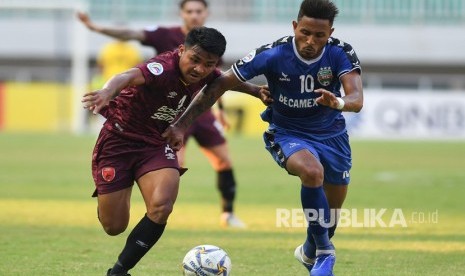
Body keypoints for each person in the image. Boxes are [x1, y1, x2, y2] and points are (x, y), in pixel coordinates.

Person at [163, 1, 363, 275]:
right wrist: (181, 124)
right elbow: (219, 84)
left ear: (330, 33)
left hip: (333, 136)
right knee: (311, 172)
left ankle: (309, 251)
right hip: (287, 132)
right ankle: (326, 254)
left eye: (319, 35)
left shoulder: (341, 52)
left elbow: (356, 98)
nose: (310, 41)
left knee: (330, 216)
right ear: (295, 26)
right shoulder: (272, 54)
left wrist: (338, 102)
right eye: (304, 32)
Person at [82, 27, 263, 276]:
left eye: (208, 64)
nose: (199, 69)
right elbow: (126, 76)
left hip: (155, 142)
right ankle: (110, 201)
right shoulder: (162, 68)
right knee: (114, 226)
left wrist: (255, 90)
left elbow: (224, 80)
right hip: (118, 142)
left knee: (161, 206)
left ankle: (119, 271)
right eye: (194, 60)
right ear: (181, 51)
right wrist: (106, 92)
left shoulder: (206, 72)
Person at [78, 0, 247, 228]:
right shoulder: (164, 35)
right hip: (165, 113)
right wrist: (98, 28)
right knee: (175, 161)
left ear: (206, 13)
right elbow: (131, 34)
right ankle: (135, 191)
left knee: (223, 160)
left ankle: (228, 213)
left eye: (199, 11)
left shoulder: (213, 43)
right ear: (182, 14)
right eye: (190, 11)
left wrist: (222, 110)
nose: (194, 15)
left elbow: (218, 80)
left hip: (199, 110)